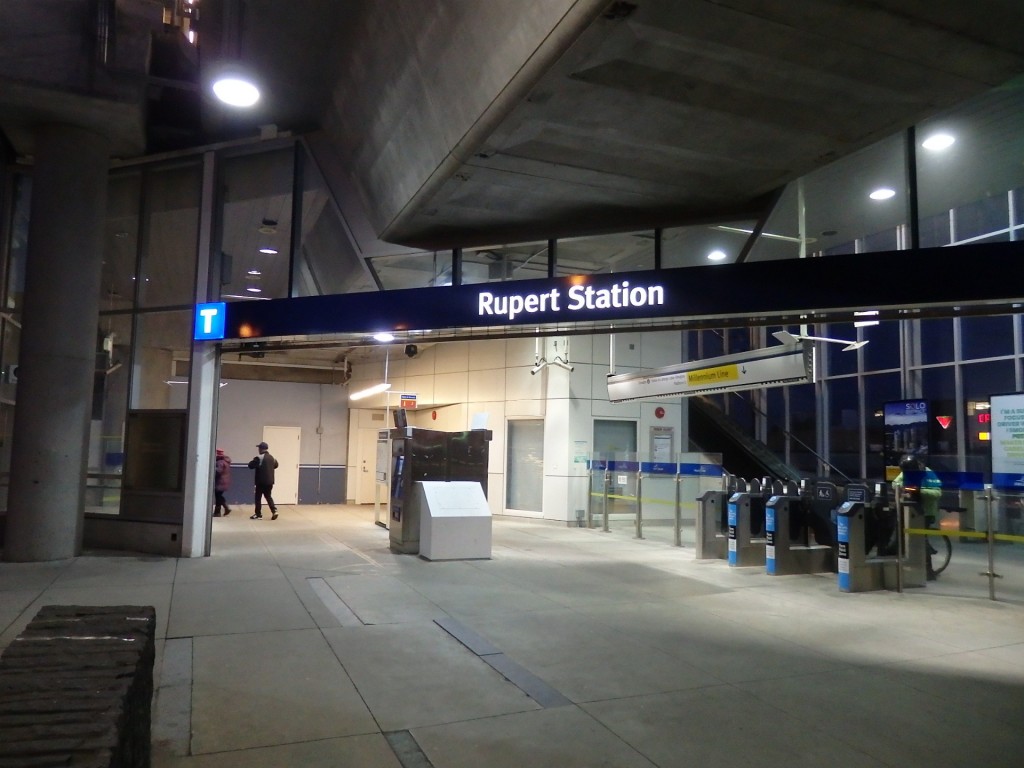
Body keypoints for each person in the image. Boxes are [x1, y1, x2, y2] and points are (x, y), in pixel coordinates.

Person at [892, 454, 942, 580]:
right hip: (910, 510)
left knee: (921, 540)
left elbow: (937, 493)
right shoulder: (907, 473)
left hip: (925, 512)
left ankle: (929, 571)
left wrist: (920, 491)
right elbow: (895, 483)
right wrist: (901, 488)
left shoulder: (928, 473)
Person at [248, 441, 279, 520]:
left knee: (258, 497)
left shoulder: (259, 458)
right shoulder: (272, 457)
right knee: (268, 496)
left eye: (259, 448)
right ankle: (274, 510)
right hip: (270, 481)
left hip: (261, 481)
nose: (258, 449)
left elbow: (250, 465)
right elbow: (276, 465)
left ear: (261, 449)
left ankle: (258, 514)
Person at [213, 448, 232, 517]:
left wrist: (212, 469)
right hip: (224, 482)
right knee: (219, 496)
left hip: (220, 482)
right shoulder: (225, 461)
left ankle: (220, 511)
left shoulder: (220, 462)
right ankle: (220, 511)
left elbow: (218, 471)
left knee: (218, 496)